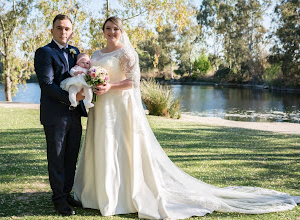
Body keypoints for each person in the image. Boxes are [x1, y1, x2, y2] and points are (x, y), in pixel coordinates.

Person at [73, 16, 299, 219]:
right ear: (103, 31)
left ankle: (122, 195)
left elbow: (132, 82)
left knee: (121, 147)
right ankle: (98, 194)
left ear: (121, 31)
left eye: (115, 28)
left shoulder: (127, 53)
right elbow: (88, 78)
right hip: (101, 109)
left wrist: (110, 85)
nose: (111, 32)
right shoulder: (96, 54)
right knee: (102, 145)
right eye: (108, 28)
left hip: (120, 108)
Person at [34, 14, 87, 216]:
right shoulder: (44, 52)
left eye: (66, 28)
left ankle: (66, 193)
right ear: (52, 31)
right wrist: (75, 98)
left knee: (71, 156)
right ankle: (58, 199)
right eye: (59, 28)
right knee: (56, 157)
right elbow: (47, 85)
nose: (63, 32)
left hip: (75, 116)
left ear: (71, 31)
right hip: (55, 115)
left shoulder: (76, 53)